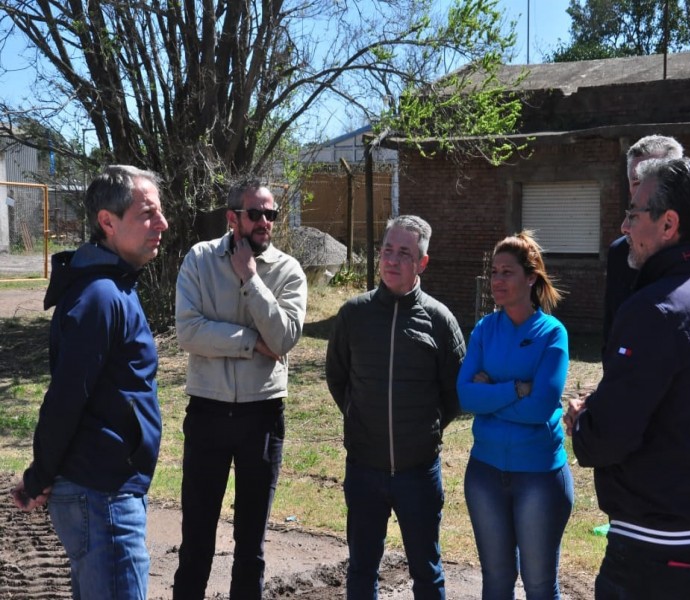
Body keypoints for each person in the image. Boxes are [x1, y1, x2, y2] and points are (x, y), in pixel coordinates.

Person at [567, 157, 690, 599]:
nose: (623, 225)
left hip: (657, 550)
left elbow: (608, 439)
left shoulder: (656, 309)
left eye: (634, 213)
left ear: (669, 223)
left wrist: (584, 419)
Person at [11, 165, 169, 599]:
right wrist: (41, 474)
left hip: (104, 494)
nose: (163, 224)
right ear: (107, 221)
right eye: (148, 214)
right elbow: (65, 397)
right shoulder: (100, 296)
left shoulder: (113, 287)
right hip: (102, 499)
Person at [172, 177, 307, 600]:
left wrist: (250, 278)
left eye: (271, 214)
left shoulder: (287, 271)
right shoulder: (198, 260)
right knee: (196, 539)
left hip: (261, 416)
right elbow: (188, 332)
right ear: (233, 218)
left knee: (251, 544)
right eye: (256, 213)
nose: (265, 221)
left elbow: (284, 338)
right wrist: (250, 343)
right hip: (208, 412)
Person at [325, 215, 466, 600]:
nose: (392, 260)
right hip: (364, 469)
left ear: (422, 262)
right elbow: (337, 377)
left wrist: (426, 428)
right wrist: (357, 416)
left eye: (404, 252)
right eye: (387, 250)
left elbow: (454, 394)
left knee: (427, 571)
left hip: (418, 473)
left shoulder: (439, 320)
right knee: (361, 570)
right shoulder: (354, 314)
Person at [457, 231, 573, 599]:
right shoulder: (484, 329)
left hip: (538, 476)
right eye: (494, 271)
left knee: (539, 585)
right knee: (495, 582)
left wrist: (490, 390)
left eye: (507, 272)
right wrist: (515, 389)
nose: (497, 280)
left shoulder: (552, 334)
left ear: (531, 277)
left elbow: (541, 408)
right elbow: (465, 395)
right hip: (485, 473)